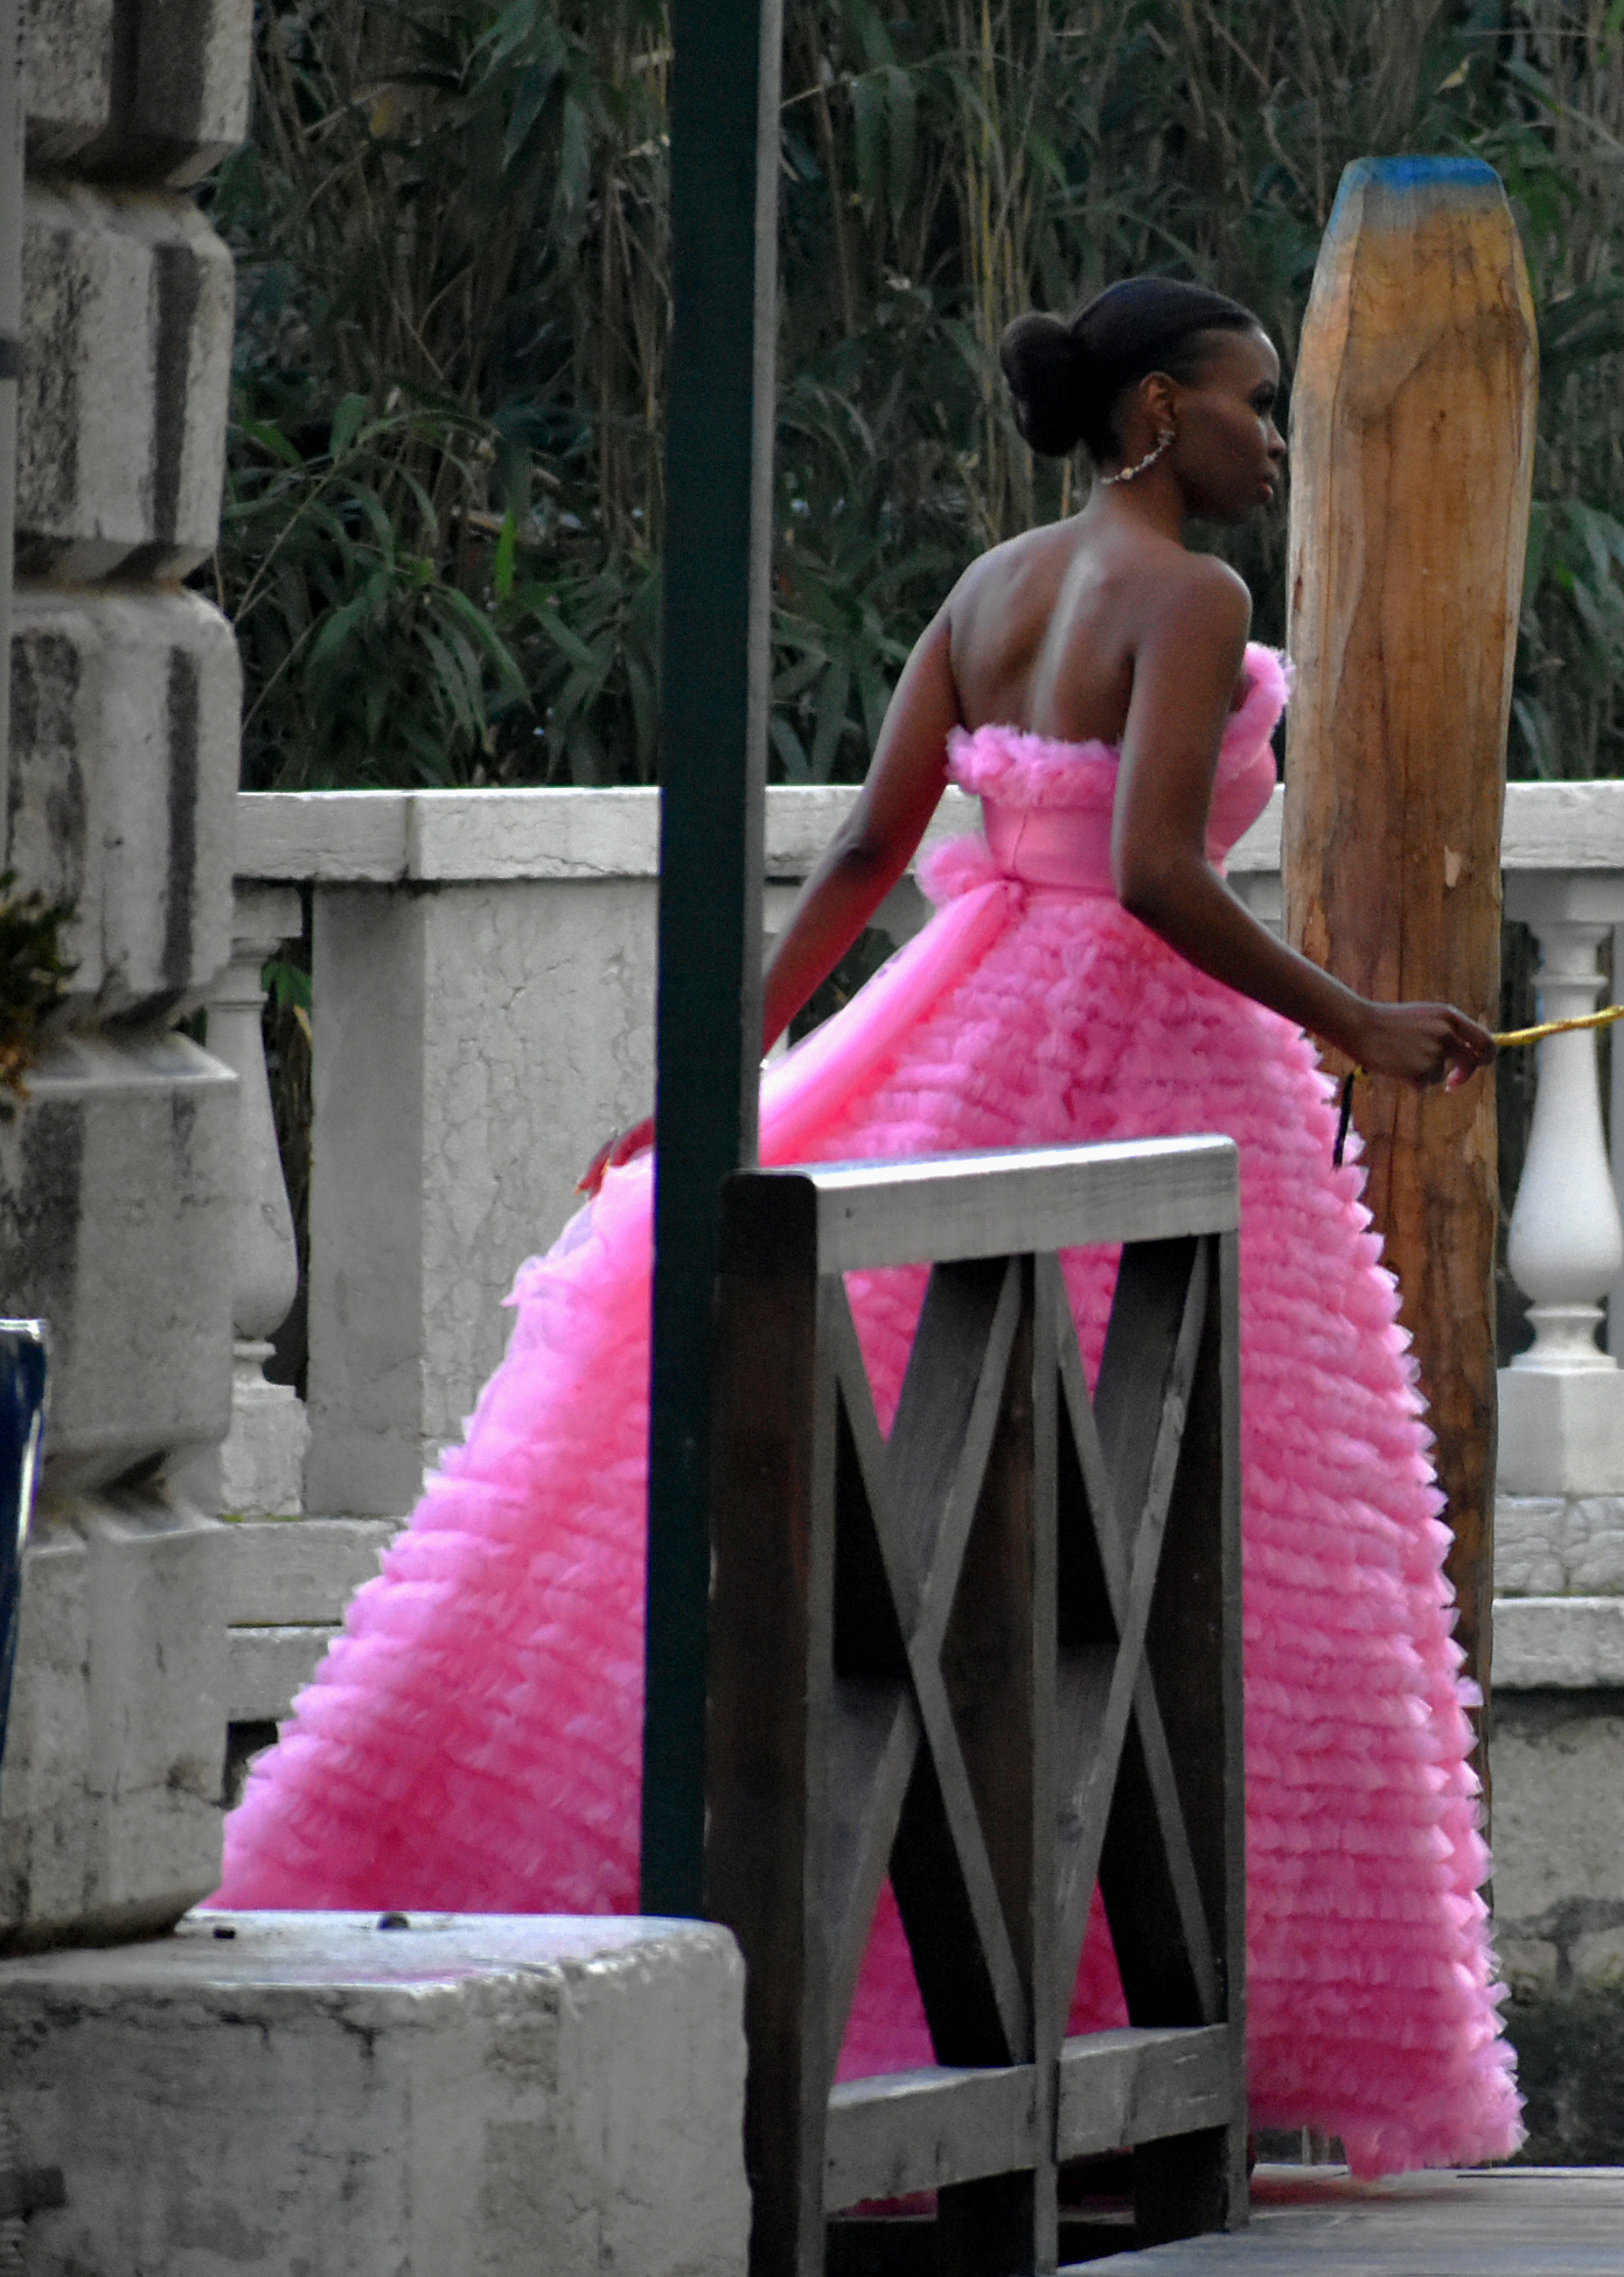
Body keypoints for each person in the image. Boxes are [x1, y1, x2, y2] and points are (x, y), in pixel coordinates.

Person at [219, 276, 1525, 2180]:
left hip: (962, 1017)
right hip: (1143, 1071)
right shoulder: (1199, 599)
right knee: (1198, 1539)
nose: (1271, 441)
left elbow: (860, 855)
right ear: (1158, 410)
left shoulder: (988, 590)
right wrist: (1357, 1023)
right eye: (1254, 408)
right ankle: (1095, 2019)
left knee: (948, 1535)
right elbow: (1157, 871)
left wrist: (724, 1082)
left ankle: (981, 2003)